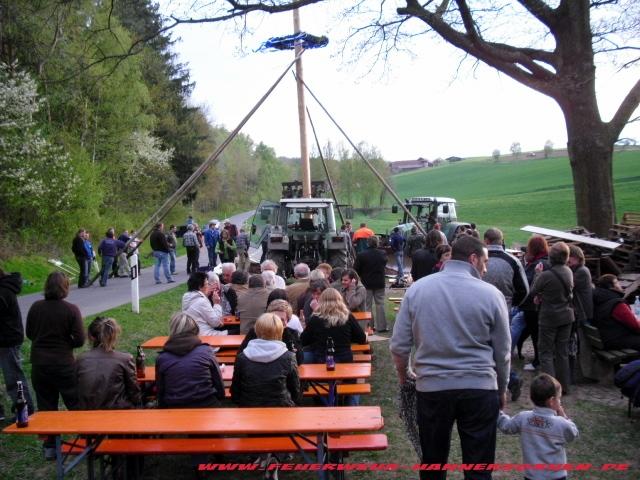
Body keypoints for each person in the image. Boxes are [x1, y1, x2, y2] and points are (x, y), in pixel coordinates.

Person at [390, 236, 510, 480]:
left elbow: (399, 346)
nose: (485, 269)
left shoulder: (418, 289)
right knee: (478, 468)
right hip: (479, 387)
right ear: (473, 259)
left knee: (433, 464)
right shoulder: (491, 294)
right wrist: (502, 388)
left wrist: (405, 376)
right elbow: (503, 351)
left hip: (432, 388)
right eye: (485, 262)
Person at [26, 272, 85, 459]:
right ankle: (85, 438)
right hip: (63, 363)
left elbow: (29, 333)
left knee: (46, 405)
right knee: (74, 401)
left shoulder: (36, 307)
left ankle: (50, 446)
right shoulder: (71, 310)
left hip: (40, 363)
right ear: (65, 287)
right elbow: (80, 340)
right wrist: (66, 342)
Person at [497, 373, 579, 480]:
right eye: (559, 398)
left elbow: (506, 426)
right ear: (552, 401)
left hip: (532, 476)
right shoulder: (561, 423)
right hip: (556, 477)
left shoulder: (523, 418)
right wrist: (563, 415)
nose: (560, 402)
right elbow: (574, 433)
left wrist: (496, 412)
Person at [482, 228, 529, 401]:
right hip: (504, 309)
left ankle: (504, 381)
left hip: (478, 309)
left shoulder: (479, 259)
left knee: (483, 347)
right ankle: (508, 380)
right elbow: (524, 290)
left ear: (486, 240)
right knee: (500, 347)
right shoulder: (513, 261)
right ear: (502, 240)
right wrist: (512, 304)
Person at [529, 242, 574, 394]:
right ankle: (565, 387)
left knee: (546, 352)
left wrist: (537, 274)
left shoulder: (546, 275)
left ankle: (550, 390)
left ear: (551, 257)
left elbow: (533, 291)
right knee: (562, 352)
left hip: (549, 317)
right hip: (566, 316)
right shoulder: (569, 271)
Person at [232, 312, 302, 407]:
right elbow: (295, 392)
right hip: (281, 409)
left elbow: (235, 391)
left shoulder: (243, 357)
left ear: (257, 330)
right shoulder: (289, 357)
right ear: (280, 331)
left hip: (249, 407)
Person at [155, 312, 225, 408]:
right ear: (195, 330)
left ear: (172, 331)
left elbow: (161, 390)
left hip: (174, 408)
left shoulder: (163, 358)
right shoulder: (206, 351)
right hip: (206, 405)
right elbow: (219, 385)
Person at [76, 317, 141, 409]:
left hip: (87, 413)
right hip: (118, 413)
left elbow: (76, 390)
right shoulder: (125, 359)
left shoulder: (81, 359)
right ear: (114, 335)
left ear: (90, 337)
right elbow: (134, 392)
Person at [0, 268, 35, 421]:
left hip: (7, 340)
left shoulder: (3, 292)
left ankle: (25, 409)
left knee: (13, 377)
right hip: (7, 338)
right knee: (13, 376)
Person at [301, 288, 367, 364]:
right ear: (340, 300)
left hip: (322, 361)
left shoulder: (315, 318)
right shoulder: (347, 316)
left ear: (321, 301)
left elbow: (303, 341)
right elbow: (362, 338)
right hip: (345, 360)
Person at [238, 301, 304, 367]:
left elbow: (299, 360)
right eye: (274, 318)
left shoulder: (291, 334)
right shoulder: (256, 331)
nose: (276, 322)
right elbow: (241, 354)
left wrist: (288, 337)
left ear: (287, 321)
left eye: (281, 320)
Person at [519, 235, 551, 370]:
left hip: (533, 306)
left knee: (535, 333)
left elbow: (527, 284)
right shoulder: (548, 261)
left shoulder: (537, 264)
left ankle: (537, 361)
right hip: (543, 305)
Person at [567, 245, 595, 383]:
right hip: (580, 311)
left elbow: (569, 285)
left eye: (569, 257)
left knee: (583, 344)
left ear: (577, 258)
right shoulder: (577, 270)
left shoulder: (582, 271)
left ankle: (585, 373)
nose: (567, 260)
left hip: (583, 312)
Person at [592, 274, 640, 350]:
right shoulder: (617, 304)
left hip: (606, 338)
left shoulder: (598, 299)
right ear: (611, 287)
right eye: (617, 282)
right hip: (616, 340)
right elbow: (636, 326)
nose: (620, 285)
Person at [354, 235, 388, 332]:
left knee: (367, 305)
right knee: (380, 304)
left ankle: (369, 326)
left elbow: (355, 269)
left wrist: (361, 275)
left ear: (367, 243)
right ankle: (382, 326)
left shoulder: (361, 255)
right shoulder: (383, 253)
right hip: (379, 282)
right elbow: (384, 264)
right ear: (377, 243)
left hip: (366, 283)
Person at [182, 272, 226, 336]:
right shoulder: (201, 301)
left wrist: (205, 295)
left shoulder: (187, 297)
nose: (208, 286)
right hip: (205, 335)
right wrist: (217, 304)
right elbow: (216, 323)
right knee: (236, 332)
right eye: (207, 284)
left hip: (193, 333)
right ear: (200, 287)